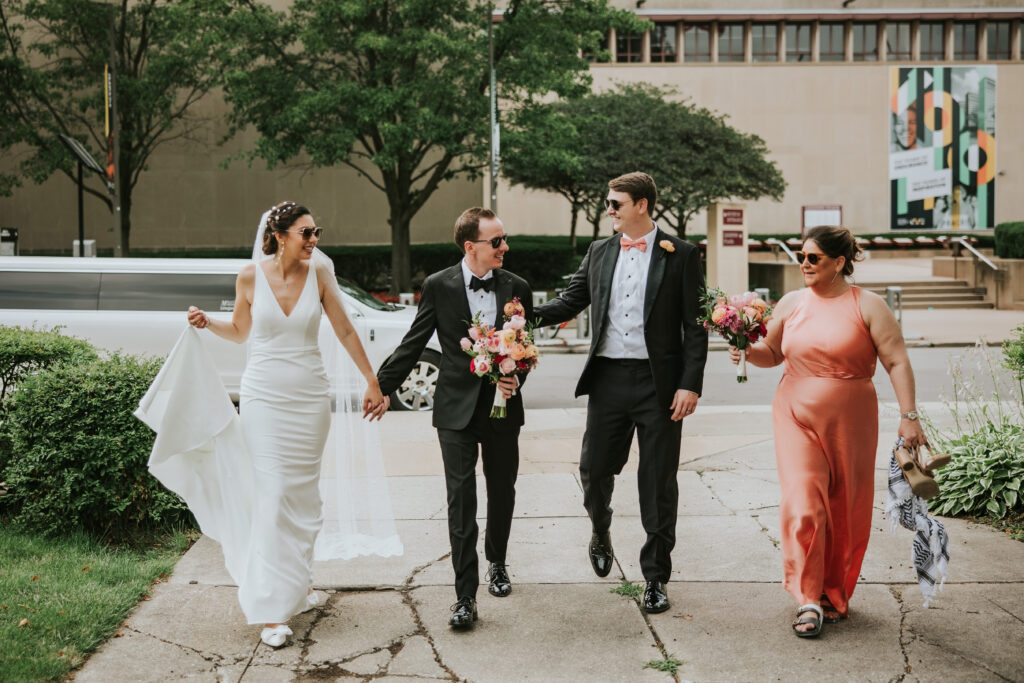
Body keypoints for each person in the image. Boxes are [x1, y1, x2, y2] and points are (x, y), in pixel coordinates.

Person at [185, 201, 389, 648]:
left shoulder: (319, 274)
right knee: (273, 493)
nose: (314, 240)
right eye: (306, 232)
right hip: (263, 398)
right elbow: (241, 332)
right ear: (280, 235)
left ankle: (297, 582)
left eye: (317, 232)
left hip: (310, 399)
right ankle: (271, 608)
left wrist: (371, 381)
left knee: (301, 495)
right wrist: (208, 323)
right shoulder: (249, 276)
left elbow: (346, 331)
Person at [728, 225, 927, 638]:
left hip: (852, 419)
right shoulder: (791, 303)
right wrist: (745, 346)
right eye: (801, 256)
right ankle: (807, 598)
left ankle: (833, 594)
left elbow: (897, 362)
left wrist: (909, 415)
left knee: (845, 507)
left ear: (839, 262)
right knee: (803, 501)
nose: (804, 263)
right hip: (795, 414)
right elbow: (772, 354)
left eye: (813, 257)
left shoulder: (868, 306)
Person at [535, 172, 708, 614]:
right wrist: (518, 313)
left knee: (657, 482)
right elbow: (569, 302)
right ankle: (600, 526)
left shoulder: (682, 254)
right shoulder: (599, 251)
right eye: (608, 203)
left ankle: (655, 577)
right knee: (593, 470)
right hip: (608, 379)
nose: (608, 210)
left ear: (642, 205)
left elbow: (695, 325)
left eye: (615, 203)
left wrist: (690, 383)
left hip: (660, 386)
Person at [376, 207, 532, 629]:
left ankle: (497, 562)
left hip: (502, 407)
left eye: (504, 238)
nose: (505, 247)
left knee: (502, 491)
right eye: (496, 241)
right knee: (461, 501)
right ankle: (465, 596)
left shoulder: (517, 287)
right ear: (471, 246)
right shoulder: (438, 286)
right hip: (454, 411)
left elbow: (524, 348)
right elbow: (414, 341)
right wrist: (381, 386)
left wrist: (514, 377)